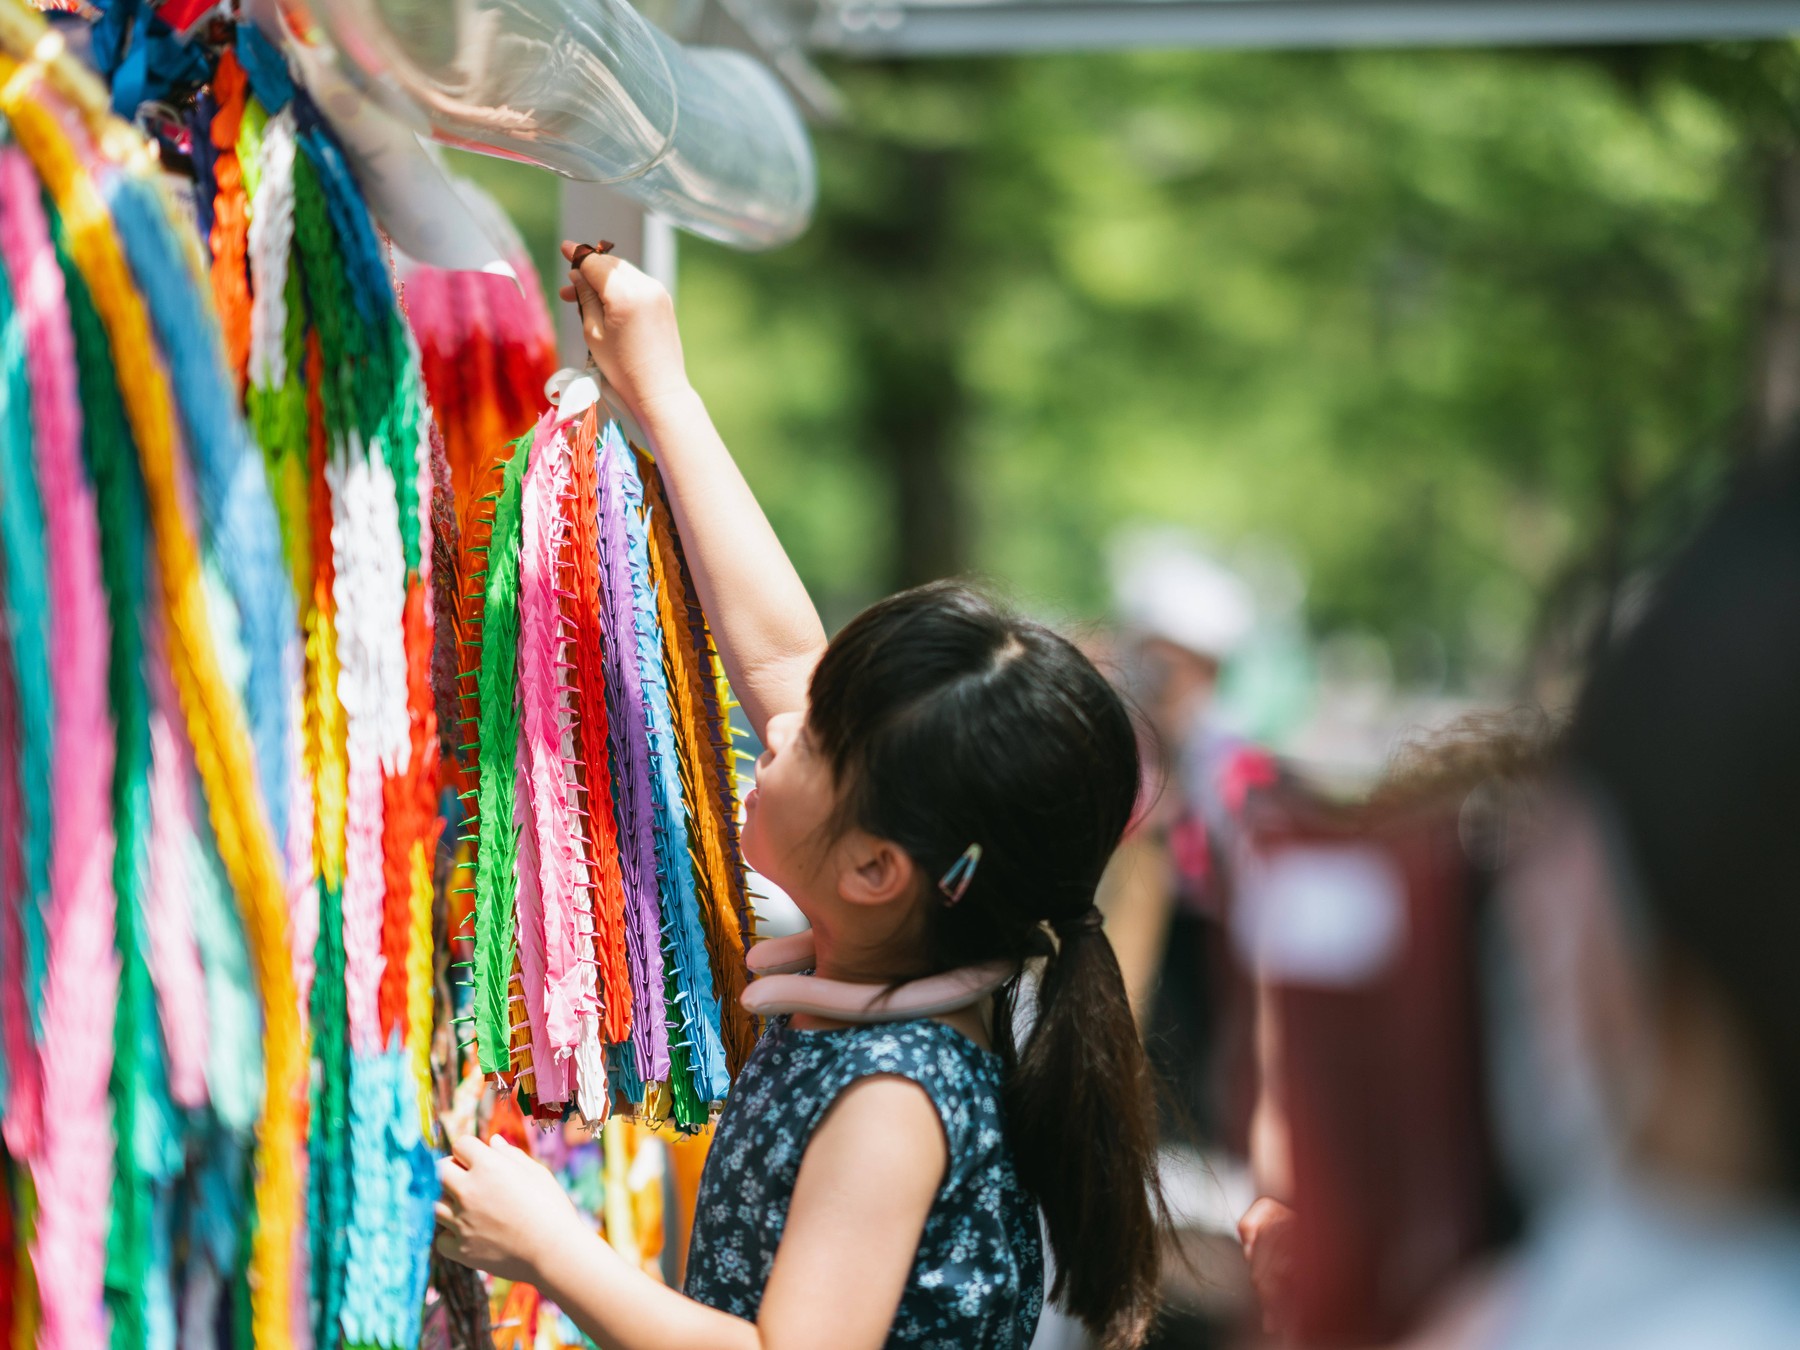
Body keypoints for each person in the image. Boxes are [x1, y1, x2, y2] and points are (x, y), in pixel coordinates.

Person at [430, 243, 1165, 1350]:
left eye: (811, 742)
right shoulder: (899, 982)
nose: (775, 733)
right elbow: (778, 654)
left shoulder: (895, 1098)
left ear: (878, 870)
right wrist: (663, 394)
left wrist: (549, 1250)